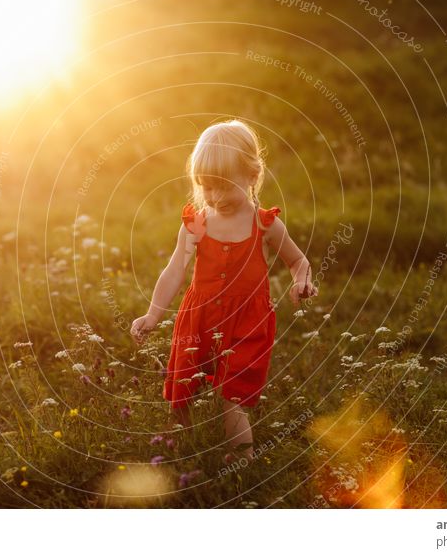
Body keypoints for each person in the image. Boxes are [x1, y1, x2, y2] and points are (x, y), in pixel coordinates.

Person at [130, 119, 316, 462]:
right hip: (198, 318)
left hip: (248, 323)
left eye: (223, 186)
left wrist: (301, 282)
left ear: (252, 174)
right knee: (182, 389)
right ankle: (183, 453)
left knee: (234, 397)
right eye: (206, 187)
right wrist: (154, 313)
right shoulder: (196, 225)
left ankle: (243, 466)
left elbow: (297, 261)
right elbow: (175, 271)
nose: (214, 197)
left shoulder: (265, 225)